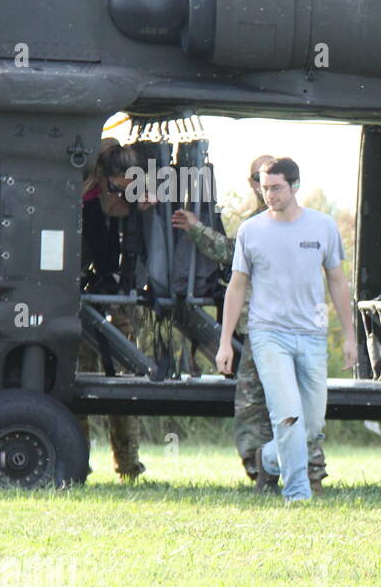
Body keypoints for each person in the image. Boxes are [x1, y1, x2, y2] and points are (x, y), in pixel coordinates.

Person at [174, 155, 329, 493]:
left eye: (273, 182)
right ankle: (274, 472)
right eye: (260, 180)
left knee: (265, 405)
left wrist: (196, 229)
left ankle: (293, 473)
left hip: (277, 329)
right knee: (262, 406)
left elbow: (229, 254)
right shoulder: (264, 222)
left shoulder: (274, 223)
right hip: (266, 328)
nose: (265, 187)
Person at [215, 157, 356, 503]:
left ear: (295, 186)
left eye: (276, 188)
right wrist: (225, 344)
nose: (269, 195)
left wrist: (351, 337)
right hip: (268, 334)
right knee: (288, 414)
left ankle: (267, 458)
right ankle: (297, 493)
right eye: (264, 188)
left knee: (311, 425)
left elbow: (337, 282)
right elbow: (236, 286)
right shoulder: (252, 230)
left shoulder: (322, 227)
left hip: (312, 335)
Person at [78, 139, 149, 481]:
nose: (125, 196)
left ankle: (128, 465)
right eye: (119, 188)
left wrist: (146, 208)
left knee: (125, 382)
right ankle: (78, 461)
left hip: (117, 302)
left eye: (131, 189)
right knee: (79, 381)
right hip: (80, 303)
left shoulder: (131, 206)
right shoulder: (83, 203)